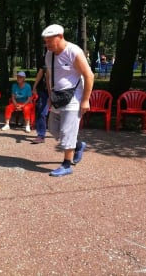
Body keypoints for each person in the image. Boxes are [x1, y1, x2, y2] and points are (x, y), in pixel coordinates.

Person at [42, 24, 94, 177]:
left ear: (60, 36)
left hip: (74, 98)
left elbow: (89, 75)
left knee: (67, 132)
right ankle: (78, 145)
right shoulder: (49, 54)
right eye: (45, 41)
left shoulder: (73, 52)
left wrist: (85, 100)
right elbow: (49, 76)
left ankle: (66, 165)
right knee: (53, 128)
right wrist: (50, 97)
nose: (47, 44)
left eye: (49, 41)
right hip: (58, 97)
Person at [31, 62, 49, 143]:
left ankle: (67, 137)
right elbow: (41, 72)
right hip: (43, 90)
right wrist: (34, 86)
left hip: (58, 90)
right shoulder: (46, 56)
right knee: (41, 112)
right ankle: (41, 135)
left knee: (63, 113)